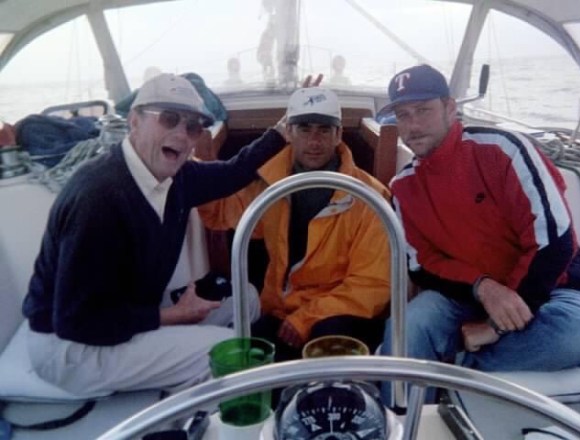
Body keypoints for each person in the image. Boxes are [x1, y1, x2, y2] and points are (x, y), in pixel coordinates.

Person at [21, 73, 287, 396]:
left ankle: (190, 377)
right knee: (226, 349)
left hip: (125, 311)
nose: (182, 134)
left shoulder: (177, 177)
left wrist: (281, 131)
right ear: (134, 122)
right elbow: (76, 321)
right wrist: (171, 316)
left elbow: (233, 173)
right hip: (69, 348)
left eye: (193, 127)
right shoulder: (98, 199)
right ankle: (195, 412)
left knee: (247, 299)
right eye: (169, 119)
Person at [379, 64, 580, 401]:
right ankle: (397, 418)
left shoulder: (504, 150)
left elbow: (555, 241)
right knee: (407, 326)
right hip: (468, 295)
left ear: (450, 108)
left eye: (423, 110)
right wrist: (483, 288)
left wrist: (495, 326)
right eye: (403, 115)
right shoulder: (403, 188)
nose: (413, 125)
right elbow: (422, 265)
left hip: (549, 290)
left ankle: (456, 368)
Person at [199, 87, 391, 362]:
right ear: (288, 132)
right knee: (246, 359)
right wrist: (181, 169)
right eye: (304, 129)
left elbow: (372, 284)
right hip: (281, 311)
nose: (314, 140)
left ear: (338, 134)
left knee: (328, 341)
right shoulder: (267, 183)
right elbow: (220, 211)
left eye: (324, 130)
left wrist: (306, 318)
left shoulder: (371, 197)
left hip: (341, 315)